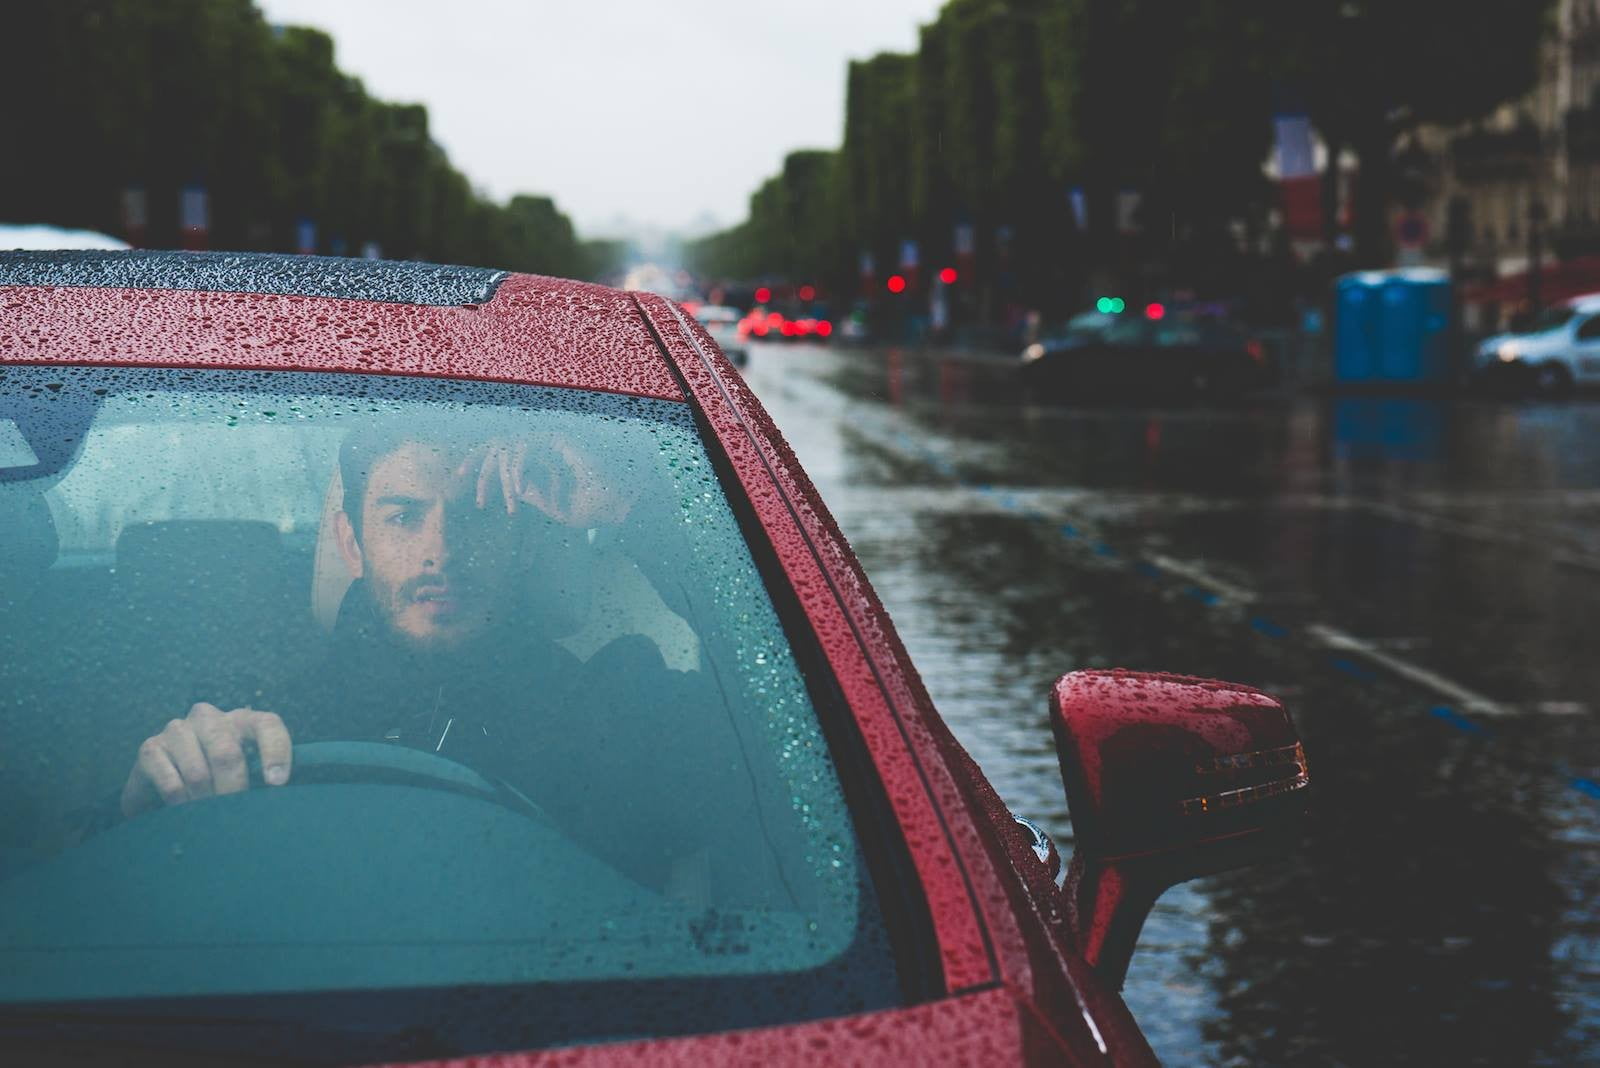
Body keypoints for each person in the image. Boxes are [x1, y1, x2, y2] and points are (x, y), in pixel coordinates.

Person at [115, 420, 748, 899]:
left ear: (524, 544)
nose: (441, 553)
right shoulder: (254, 729)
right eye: (403, 517)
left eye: (475, 517)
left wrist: (635, 513)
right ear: (351, 543)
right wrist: (145, 810)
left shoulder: (620, 707)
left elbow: (792, 722)